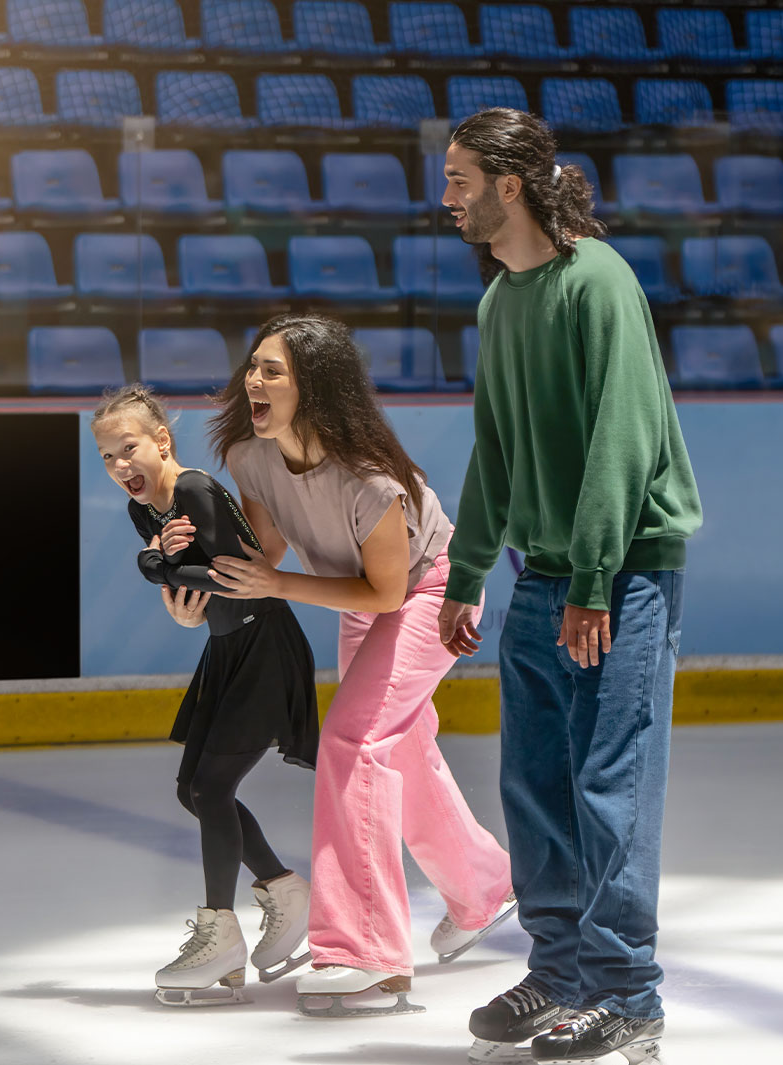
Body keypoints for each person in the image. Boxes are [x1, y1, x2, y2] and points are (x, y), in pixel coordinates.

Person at [436, 108, 703, 1065]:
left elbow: (620, 444)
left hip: (618, 579)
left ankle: (627, 993)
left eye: (460, 177)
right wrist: (467, 571)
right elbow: (495, 451)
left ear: (511, 185)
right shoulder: (500, 299)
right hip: (543, 576)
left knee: (609, 785)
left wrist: (594, 577)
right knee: (536, 786)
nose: (447, 195)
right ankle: (560, 970)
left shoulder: (599, 283)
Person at [173, 313, 514, 1017]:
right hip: (361, 595)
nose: (254, 380)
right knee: (400, 750)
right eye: (254, 366)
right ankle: (484, 887)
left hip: (431, 592)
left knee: (354, 742)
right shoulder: (249, 454)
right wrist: (193, 580)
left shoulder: (369, 477)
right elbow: (259, 556)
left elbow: (388, 589)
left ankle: (364, 951)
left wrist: (281, 586)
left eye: (274, 371)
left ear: (316, 389)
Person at [91, 385, 319, 1005]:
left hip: (265, 644)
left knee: (212, 789)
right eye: (107, 458)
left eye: (129, 449)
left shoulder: (192, 490)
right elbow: (184, 584)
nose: (120, 467)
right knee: (192, 790)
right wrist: (164, 574)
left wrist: (153, 567)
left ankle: (220, 933)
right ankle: (282, 887)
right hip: (226, 650)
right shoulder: (147, 510)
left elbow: (229, 577)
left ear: (162, 440)